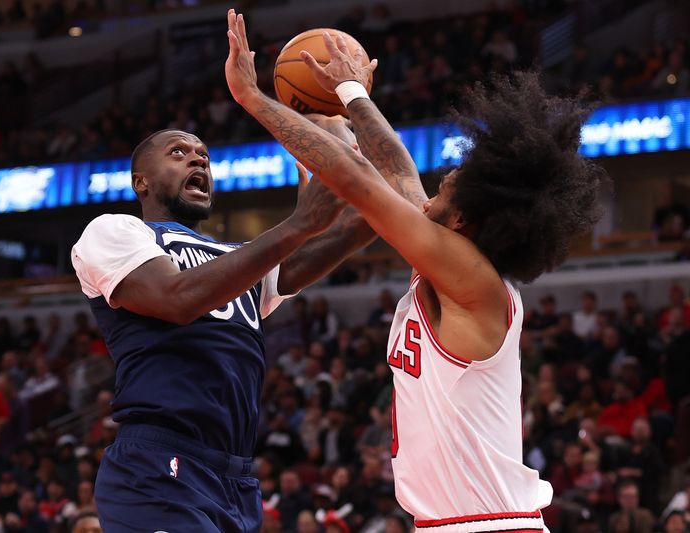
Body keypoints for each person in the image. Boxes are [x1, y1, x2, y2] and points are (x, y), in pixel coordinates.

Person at [225, 9, 603, 531]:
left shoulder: (473, 281)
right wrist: (351, 97)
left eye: (444, 190)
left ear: (465, 218)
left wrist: (253, 98)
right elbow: (395, 168)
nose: (429, 195)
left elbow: (358, 177)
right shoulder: (450, 261)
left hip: (491, 524)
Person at [71, 76, 386, 532]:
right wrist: (298, 225)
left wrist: (339, 123)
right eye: (178, 152)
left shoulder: (236, 259)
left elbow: (360, 224)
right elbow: (177, 299)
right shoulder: (115, 231)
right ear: (140, 181)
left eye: (203, 155)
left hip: (235, 476)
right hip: (159, 464)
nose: (198, 157)